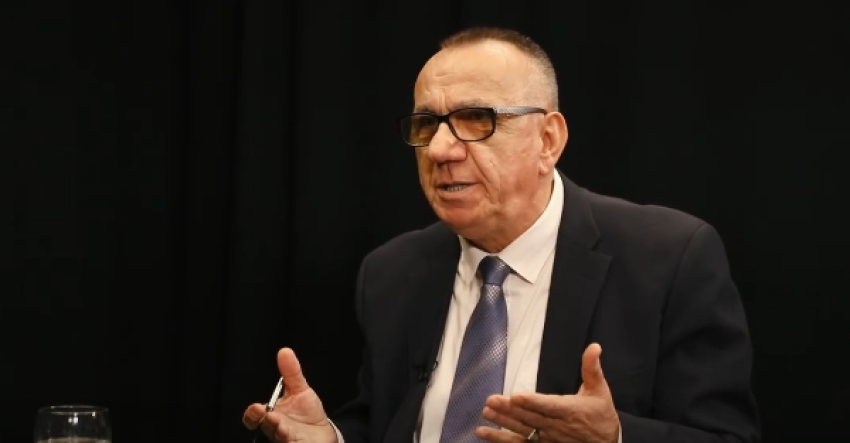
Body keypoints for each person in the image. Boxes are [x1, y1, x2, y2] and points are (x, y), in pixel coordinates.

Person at [242, 27, 760, 443]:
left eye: (475, 119)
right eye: (426, 124)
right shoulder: (390, 273)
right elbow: (386, 423)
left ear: (548, 140)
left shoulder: (668, 258)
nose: (439, 149)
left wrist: (616, 438)